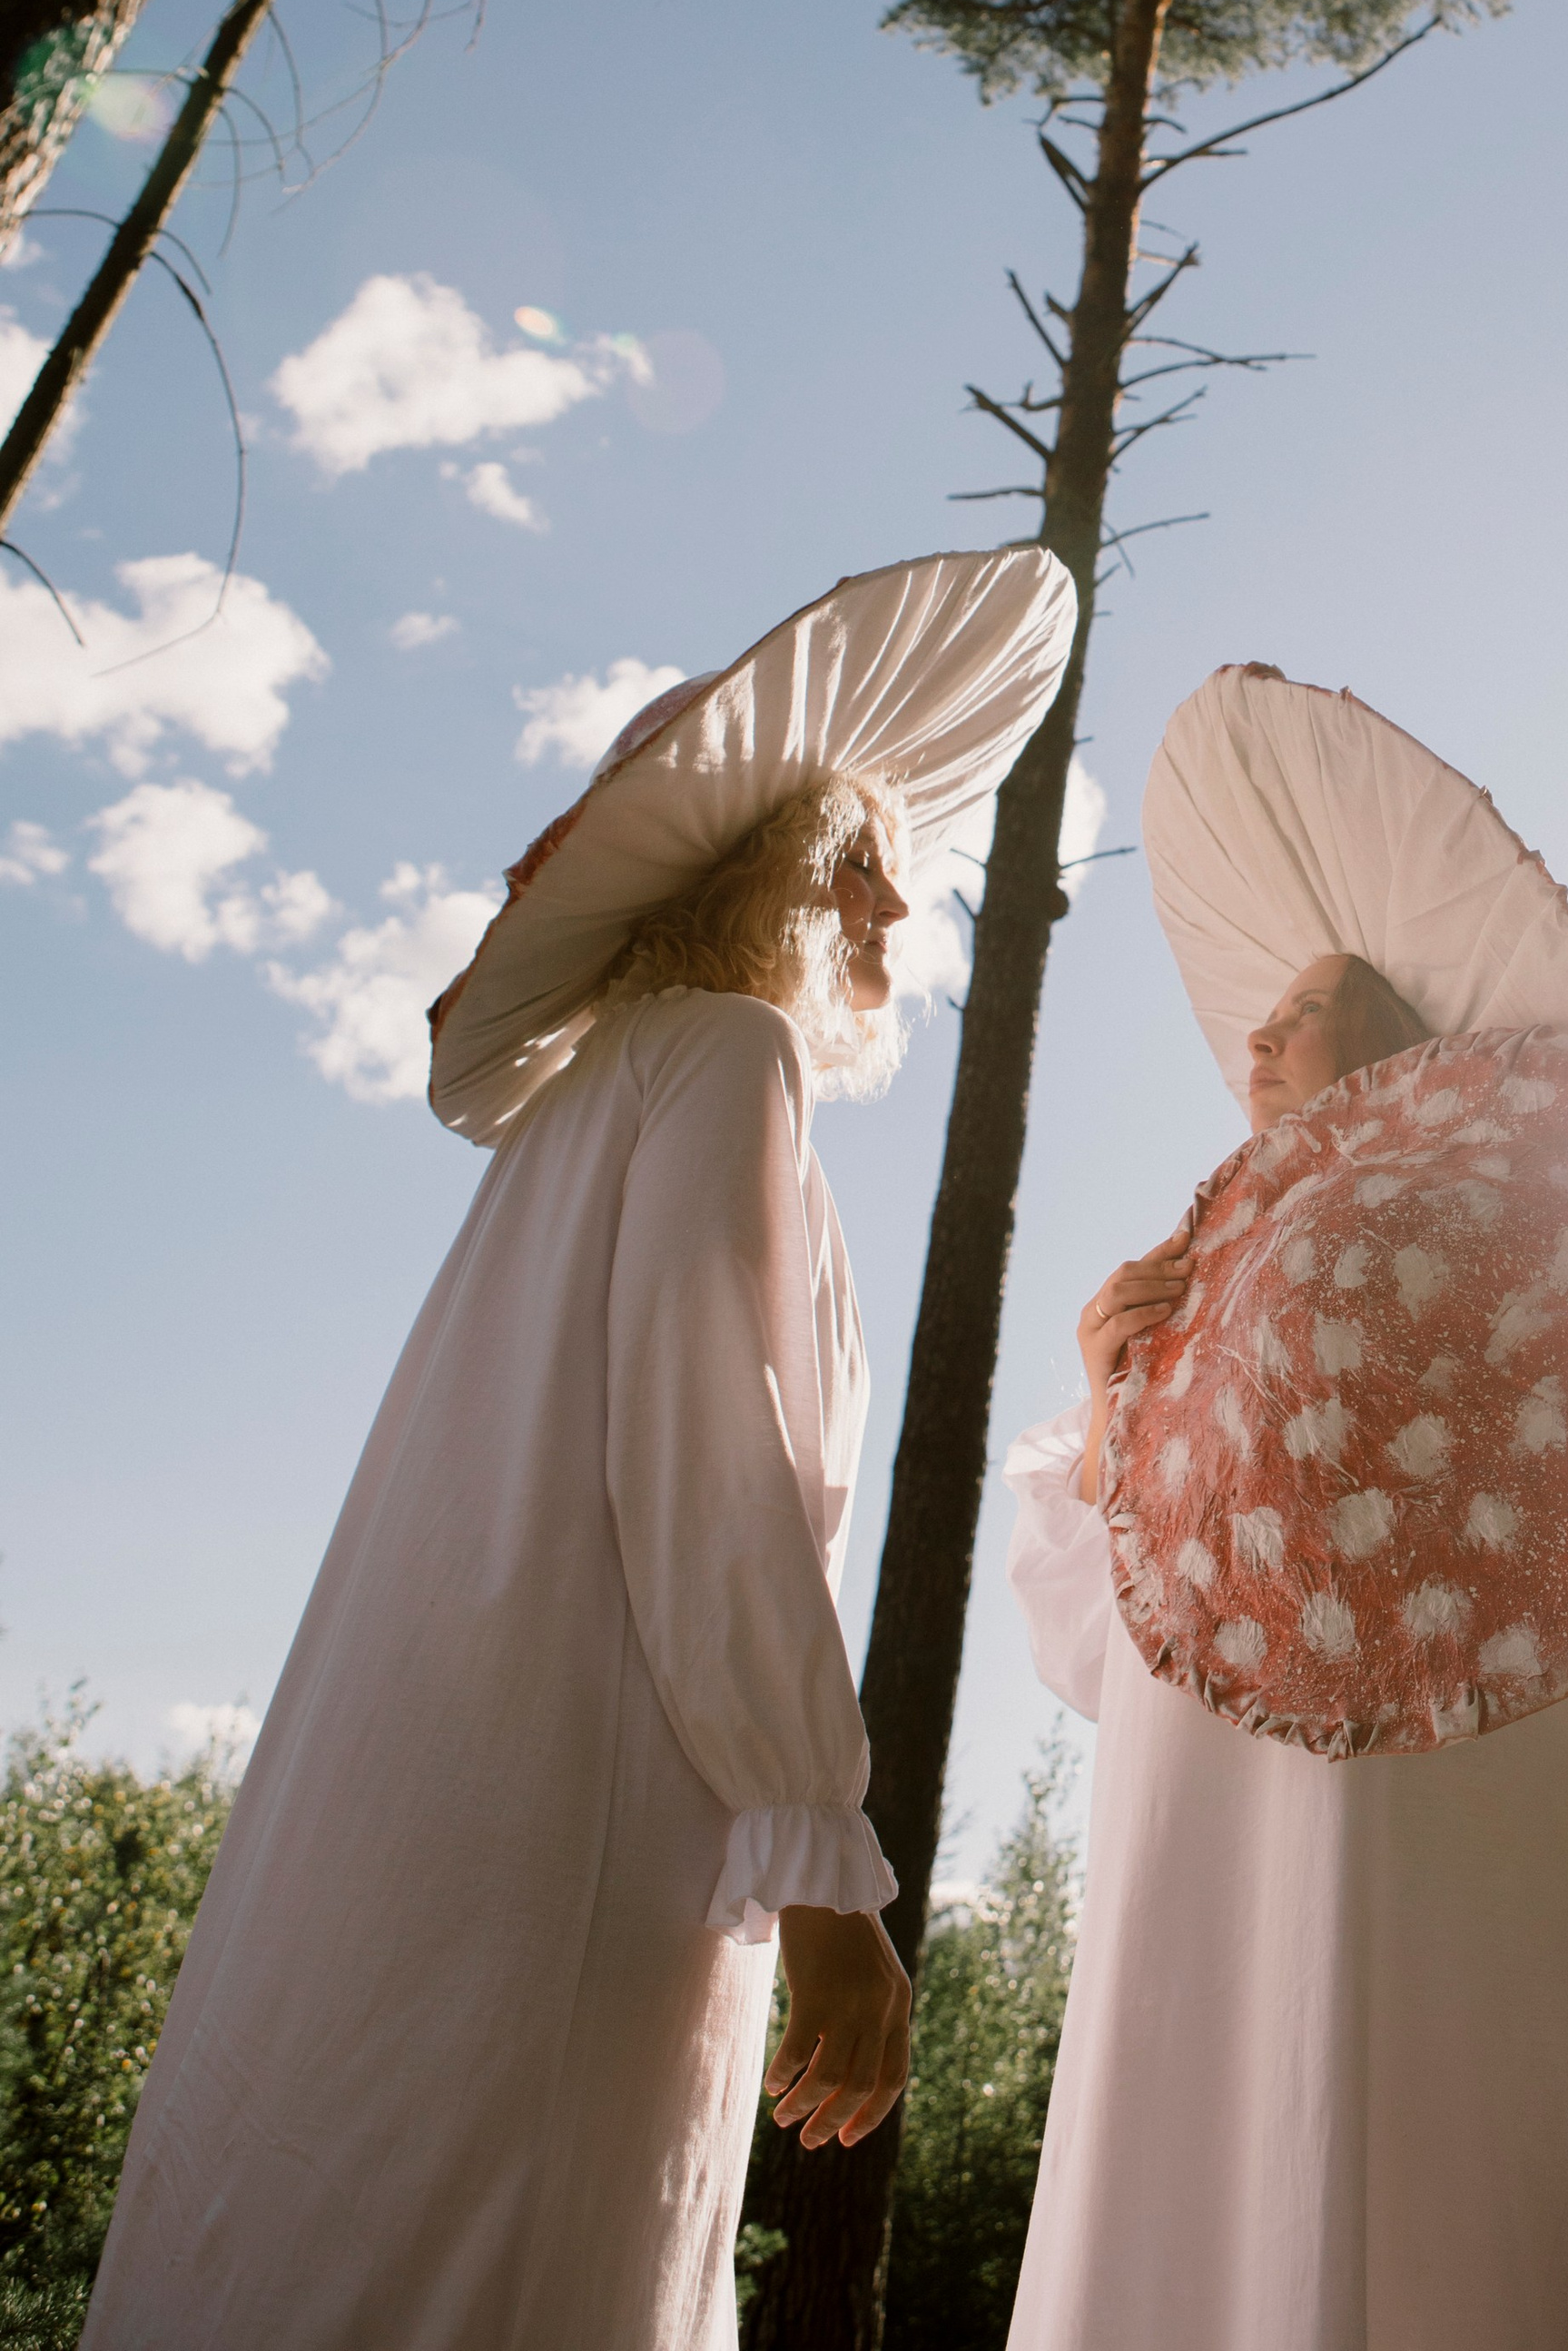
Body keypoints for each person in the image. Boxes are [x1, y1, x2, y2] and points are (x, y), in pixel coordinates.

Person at [84, 546, 1073, 2351]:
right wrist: (823, 1860)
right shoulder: (724, 1060)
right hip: (585, 1791)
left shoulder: (588, 1100)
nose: (895, 907)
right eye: (857, 857)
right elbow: (717, 1470)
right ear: (762, 868)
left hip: (426, 1782)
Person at [1004, 668, 1568, 2351]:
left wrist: (1425, 1147)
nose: (1257, 1034)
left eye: (1306, 1002)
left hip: (1501, 1849)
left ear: (1406, 1020)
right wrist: (1116, 1408)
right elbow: (1099, 1649)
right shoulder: (1178, 1290)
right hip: (1213, 1877)